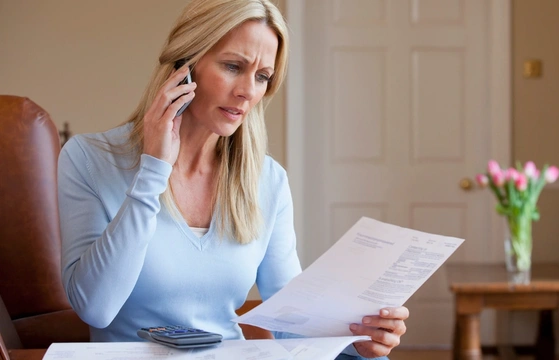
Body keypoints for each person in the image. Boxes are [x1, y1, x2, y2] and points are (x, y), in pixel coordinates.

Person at [57, 0, 409, 359]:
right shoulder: (88, 159)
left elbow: (292, 320)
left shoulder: (267, 179)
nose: (248, 91)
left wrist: (358, 340)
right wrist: (153, 169)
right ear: (185, 66)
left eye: (262, 77)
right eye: (232, 66)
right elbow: (95, 308)